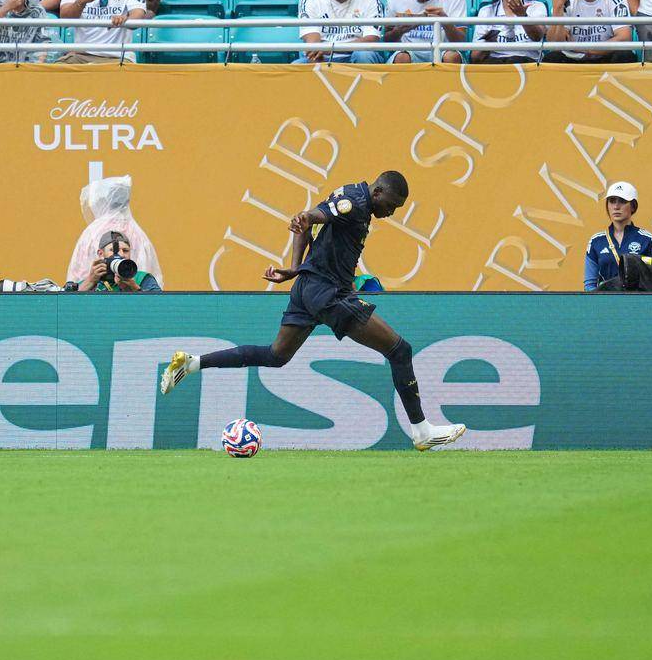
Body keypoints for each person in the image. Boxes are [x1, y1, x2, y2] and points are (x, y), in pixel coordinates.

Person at [161, 172, 466, 452]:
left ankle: (191, 364)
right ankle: (421, 431)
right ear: (379, 191)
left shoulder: (350, 194)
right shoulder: (355, 203)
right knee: (400, 350)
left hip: (307, 288)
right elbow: (307, 218)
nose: (392, 213)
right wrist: (305, 219)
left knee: (276, 355)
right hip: (328, 292)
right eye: (392, 205)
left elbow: (307, 224)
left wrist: (295, 267)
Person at [581, 181, 652, 291]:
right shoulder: (596, 241)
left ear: (633, 206)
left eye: (622, 201)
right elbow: (590, 285)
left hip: (635, 304)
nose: (616, 207)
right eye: (612, 201)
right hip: (604, 304)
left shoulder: (647, 239)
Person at [83, 229, 162, 291]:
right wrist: (90, 282)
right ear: (101, 254)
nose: (121, 255)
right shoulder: (91, 280)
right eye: (113, 250)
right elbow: (71, 307)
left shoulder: (142, 279)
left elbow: (161, 308)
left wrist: (134, 289)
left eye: (125, 250)